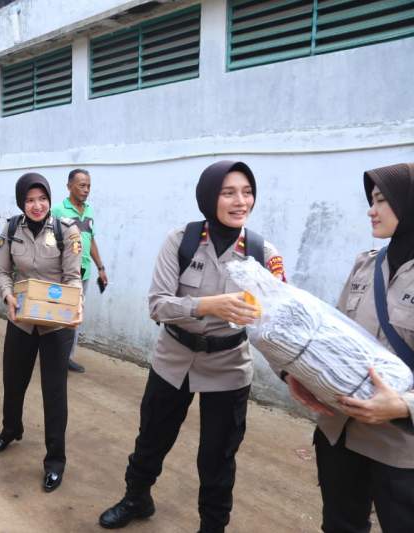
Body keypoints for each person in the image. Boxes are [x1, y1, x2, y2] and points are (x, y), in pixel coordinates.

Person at [98, 161, 286, 531]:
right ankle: (137, 497)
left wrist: (291, 370)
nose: (240, 201)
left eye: (247, 192)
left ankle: (212, 526)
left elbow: (278, 319)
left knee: (217, 457)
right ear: (208, 196)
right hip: (174, 358)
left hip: (229, 366)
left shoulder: (263, 253)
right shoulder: (181, 241)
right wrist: (206, 305)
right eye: (228, 192)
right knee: (152, 436)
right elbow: (157, 304)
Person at [284, 163, 414, 533]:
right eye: (370, 200)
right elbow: (332, 340)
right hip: (340, 432)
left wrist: (403, 405)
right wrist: (301, 374)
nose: (371, 210)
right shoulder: (366, 267)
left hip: (400, 449)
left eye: (382, 200)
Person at [0, 172, 83, 493]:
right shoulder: (11, 229)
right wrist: (7, 295)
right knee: (13, 381)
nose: (37, 205)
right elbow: (1, 272)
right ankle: (10, 429)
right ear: (21, 202)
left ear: (50, 200)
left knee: (54, 393)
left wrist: (74, 303)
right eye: (30, 199)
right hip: (22, 318)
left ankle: (55, 460)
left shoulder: (67, 230)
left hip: (55, 324)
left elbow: (72, 276)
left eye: (42, 199)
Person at [51, 168, 107, 373]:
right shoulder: (58, 210)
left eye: (89, 186)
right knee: (58, 315)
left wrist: (101, 267)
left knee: (75, 316)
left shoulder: (89, 211)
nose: (86, 190)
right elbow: (48, 241)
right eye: (82, 185)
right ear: (69, 186)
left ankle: (66, 357)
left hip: (83, 273)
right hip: (63, 273)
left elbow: (90, 239)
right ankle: (54, 356)